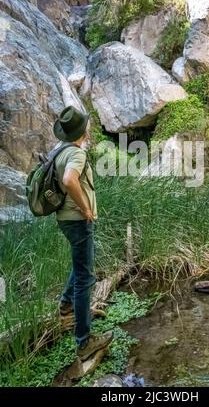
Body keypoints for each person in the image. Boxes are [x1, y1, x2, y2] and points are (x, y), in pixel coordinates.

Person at [53, 106, 112, 360]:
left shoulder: (59, 150)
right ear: (82, 130)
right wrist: (86, 208)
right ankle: (84, 341)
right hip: (78, 220)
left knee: (80, 267)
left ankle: (67, 308)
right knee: (86, 278)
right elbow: (69, 180)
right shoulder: (76, 153)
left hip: (65, 219)